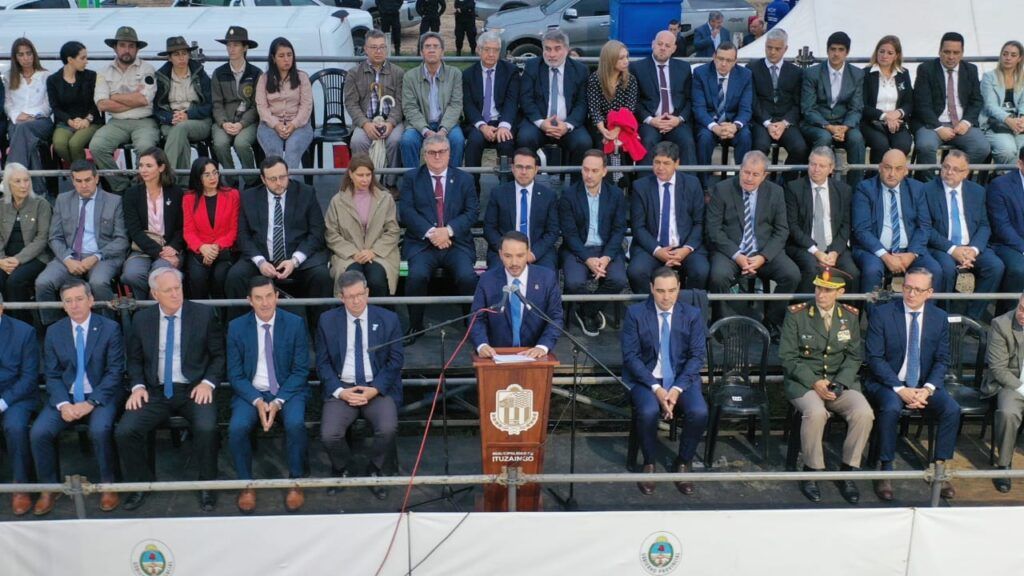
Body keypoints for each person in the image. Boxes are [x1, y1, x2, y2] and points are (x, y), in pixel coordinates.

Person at [116, 267, 225, 512]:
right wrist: (137, 386)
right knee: (125, 430)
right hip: (155, 390)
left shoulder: (204, 314)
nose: (176, 294)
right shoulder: (142, 319)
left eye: (178, 288)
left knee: (207, 428)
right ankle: (140, 483)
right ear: (155, 294)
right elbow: (134, 360)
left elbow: (219, 356)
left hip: (193, 387)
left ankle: (207, 484)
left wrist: (208, 383)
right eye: (169, 290)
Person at [863, 267, 959, 501]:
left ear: (929, 293)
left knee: (951, 409)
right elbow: (874, 358)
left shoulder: (938, 318)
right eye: (907, 287)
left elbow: (942, 359)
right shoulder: (883, 314)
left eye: (918, 289)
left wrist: (927, 389)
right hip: (888, 383)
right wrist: (900, 389)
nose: (911, 293)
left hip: (923, 385)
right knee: (891, 407)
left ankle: (939, 468)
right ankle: (886, 468)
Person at [30, 280, 123, 515]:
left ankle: (108, 484)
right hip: (66, 396)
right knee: (39, 432)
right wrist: (63, 404)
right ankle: (49, 488)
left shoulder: (109, 328)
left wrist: (90, 403)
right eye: (68, 301)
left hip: (100, 394)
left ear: (91, 300)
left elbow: (115, 372)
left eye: (79, 299)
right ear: (63, 305)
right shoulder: (54, 331)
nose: (74, 305)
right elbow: (51, 374)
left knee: (100, 429)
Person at [779, 268, 871, 503]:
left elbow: (854, 357)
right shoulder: (797, 314)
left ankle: (847, 471)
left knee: (863, 412)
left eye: (828, 290)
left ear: (840, 292)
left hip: (839, 382)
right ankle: (811, 470)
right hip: (804, 383)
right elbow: (788, 357)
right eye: (819, 288)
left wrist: (840, 382)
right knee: (816, 413)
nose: (821, 294)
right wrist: (815, 382)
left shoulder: (849, 316)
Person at [316, 270, 404, 500]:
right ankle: (342, 467)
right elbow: (322, 364)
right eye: (350, 296)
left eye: (360, 294)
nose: (356, 301)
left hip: (376, 387)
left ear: (367, 292)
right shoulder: (327, 321)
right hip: (343, 387)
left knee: (387, 428)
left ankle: (374, 469)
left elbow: (395, 362)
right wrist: (340, 392)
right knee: (329, 434)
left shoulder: (388, 319)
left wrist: (375, 389)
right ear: (341, 297)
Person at [622, 266, 707, 496]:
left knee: (699, 412)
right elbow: (631, 357)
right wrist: (657, 389)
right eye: (660, 291)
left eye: (671, 290)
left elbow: (697, 356)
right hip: (647, 379)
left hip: (682, 379)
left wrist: (677, 389)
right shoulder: (635, 314)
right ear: (651, 288)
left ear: (679, 288)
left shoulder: (692, 314)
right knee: (648, 411)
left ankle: (683, 463)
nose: (666, 297)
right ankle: (649, 463)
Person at [227, 276, 310, 513]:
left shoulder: (295, 324)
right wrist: (257, 400)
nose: (264, 303)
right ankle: (246, 484)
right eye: (258, 298)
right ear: (249, 300)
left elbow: (301, 370)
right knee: (237, 428)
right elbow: (235, 374)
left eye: (269, 296)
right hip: (251, 392)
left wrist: (278, 401)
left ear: (277, 297)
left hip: (288, 390)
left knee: (295, 423)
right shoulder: (236, 327)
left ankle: (296, 481)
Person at [225, 156, 333, 324]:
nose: (279, 183)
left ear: (288, 174)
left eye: (283, 177)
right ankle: (241, 330)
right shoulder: (249, 197)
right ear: (263, 179)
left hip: (298, 258)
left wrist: (295, 260)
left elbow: (317, 232)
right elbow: (243, 235)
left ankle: (319, 329)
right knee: (235, 277)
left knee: (321, 276)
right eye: (273, 179)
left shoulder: (306, 193)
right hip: (262, 257)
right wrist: (260, 262)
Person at [706, 150, 799, 334]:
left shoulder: (776, 192)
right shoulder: (722, 189)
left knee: (792, 274)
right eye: (746, 172)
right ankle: (722, 325)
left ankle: (772, 322)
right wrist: (738, 256)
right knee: (718, 275)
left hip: (763, 251)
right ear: (740, 169)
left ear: (764, 175)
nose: (749, 178)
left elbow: (782, 230)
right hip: (731, 251)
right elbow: (713, 230)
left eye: (755, 174)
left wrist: (763, 257)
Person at [399, 134, 479, 341]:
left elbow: (472, 212)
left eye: (442, 152)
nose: (437, 156)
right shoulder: (411, 178)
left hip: (456, 244)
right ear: (424, 155)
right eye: (432, 152)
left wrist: (448, 231)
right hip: (423, 244)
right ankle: (416, 326)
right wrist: (432, 233)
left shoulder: (465, 179)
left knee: (467, 277)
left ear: (449, 153)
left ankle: (472, 326)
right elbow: (406, 212)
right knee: (416, 277)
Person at [35, 160, 128, 326]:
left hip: (102, 256)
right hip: (70, 255)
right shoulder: (63, 199)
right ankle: (56, 327)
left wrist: (96, 257)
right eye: (78, 181)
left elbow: (121, 239)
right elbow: (54, 237)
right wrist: (67, 259)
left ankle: (107, 327)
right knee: (43, 283)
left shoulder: (114, 201)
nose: (83, 185)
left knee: (98, 283)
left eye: (87, 180)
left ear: (96, 179)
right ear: (72, 181)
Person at [923, 150, 1003, 320]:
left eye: (955, 169)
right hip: (942, 247)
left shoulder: (977, 191)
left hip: (971, 246)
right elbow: (926, 228)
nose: (949, 172)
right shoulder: (927, 190)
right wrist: (953, 249)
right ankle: (944, 318)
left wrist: (973, 250)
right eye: (946, 167)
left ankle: (972, 318)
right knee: (946, 268)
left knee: (995, 266)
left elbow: (984, 225)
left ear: (966, 173)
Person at [852, 149, 943, 293]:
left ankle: (924, 308)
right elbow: (861, 230)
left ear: (905, 171)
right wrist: (885, 256)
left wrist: (911, 254)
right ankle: (873, 308)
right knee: (872, 271)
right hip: (874, 250)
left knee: (934, 270)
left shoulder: (916, 188)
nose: (892, 173)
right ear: (880, 168)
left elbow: (924, 226)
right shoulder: (865, 189)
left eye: (898, 169)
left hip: (909, 250)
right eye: (887, 168)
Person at [558, 149, 628, 337]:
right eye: (585, 169)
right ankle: (591, 310)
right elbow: (570, 234)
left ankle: (586, 310)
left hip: (607, 249)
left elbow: (619, 230)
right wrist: (588, 259)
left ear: (604, 171)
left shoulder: (615, 195)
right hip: (577, 249)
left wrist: (606, 257)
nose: (589, 175)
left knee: (618, 280)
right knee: (574, 283)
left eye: (594, 171)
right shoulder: (568, 195)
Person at [627, 141, 708, 293]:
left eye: (666, 163)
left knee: (700, 271)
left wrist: (686, 249)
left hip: (684, 246)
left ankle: (686, 306)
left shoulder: (692, 184)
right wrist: (658, 250)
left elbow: (699, 222)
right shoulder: (640, 186)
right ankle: (651, 306)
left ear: (677, 163)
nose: (660, 167)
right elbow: (638, 227)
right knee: (636, 272)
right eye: (657, 162)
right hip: (652, 247)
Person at [90, 26, 160, 194]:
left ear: (137, 49)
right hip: (116, 122)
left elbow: (144, 99)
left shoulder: (147, 69)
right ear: (115, 48)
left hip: (144, 121)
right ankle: (121, 186)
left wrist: (114, 96)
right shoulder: (103, 72)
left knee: (145, 148)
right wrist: (133, 98)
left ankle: (138, 186)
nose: (126, 50)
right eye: (122, 45)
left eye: (131, 46)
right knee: (97, 146)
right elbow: (102, 104)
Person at [471, 231, 563, 358]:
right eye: (508, 256)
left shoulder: (546, 278)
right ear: (500, 254)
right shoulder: (487, 280)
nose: (514, 262)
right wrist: (482, 345)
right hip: (497, 356)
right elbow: (477, 318)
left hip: (535, 356)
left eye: (520, 256)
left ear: (528, 253)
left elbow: (555, 318)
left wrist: (542, 347)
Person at [912, 32, 990, 180]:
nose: (951, 56)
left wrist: (966, 122)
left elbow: (976, 101)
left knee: (981, 147)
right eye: (947, 52)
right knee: (926, 146)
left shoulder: (970, 70)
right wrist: (939, 128)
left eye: (956, 52)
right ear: (939, 51)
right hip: (932, 124)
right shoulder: (926, 69)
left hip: (961, 124)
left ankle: (954, 180)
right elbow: (922, 104)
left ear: (962, 53)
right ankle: (931, 185)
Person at [517, 29, 592, 180]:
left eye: (557, 49)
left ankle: (576, 189)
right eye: (547, 49)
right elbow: (526, 99)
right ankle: (528, 186)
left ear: (566, 49)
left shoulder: (580, 70)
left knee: (583, 143)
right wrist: (541, 123)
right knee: (525, 138)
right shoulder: (532, 66)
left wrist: (567, 125)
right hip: (538, 122)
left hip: (567, 123)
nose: (552, 54)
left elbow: (582, 103)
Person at [784, 147, 858, 293]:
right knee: (812, 269)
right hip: (804, 247)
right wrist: (816, 252)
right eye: (813, 164)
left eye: (822, 166)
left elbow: (845, 225)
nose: (816, 169)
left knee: (852, 273)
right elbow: (793, 226)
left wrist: (834, 252)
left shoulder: (843, 190)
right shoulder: (793, 188)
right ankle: (806, 307)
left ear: (831, 168)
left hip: (834, 247)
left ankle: (847, 308)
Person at [325, 153, 400, 297]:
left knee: (376, 280)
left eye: (368, 175)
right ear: (351, 174)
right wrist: (353, 252)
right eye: (360, 175)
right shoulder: (338, 201)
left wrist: (373, 252)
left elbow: (393, 231)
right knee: (351, 280)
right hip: (348, 255)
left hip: (380, 254)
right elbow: (331, 233)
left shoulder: (385, 198)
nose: (365, 179)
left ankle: (381, 311)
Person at [800, 31, 866, 189]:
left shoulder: (857, 74)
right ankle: (816, 185)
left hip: (844, 123)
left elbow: (856, 107)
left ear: (847, 52)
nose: (836, 54)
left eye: (841, 50)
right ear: (827, 50)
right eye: (833, 49)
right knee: (824, 138)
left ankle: (856, 189)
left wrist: (845, 127)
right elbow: (808, 108)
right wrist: (828, 126)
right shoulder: (812, 73)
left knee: (857, 139)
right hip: (817, 123)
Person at [120, 148, 185, 300]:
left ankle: (152, 307)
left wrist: (173, 247)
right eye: (141, 165)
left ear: (161, 167)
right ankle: (149, 305)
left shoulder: (176, 193)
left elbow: (182, 227)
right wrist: (159, 251)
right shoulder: (131, 194)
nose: (143, 170)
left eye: (149, 166)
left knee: (160, 275)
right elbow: (134, 231)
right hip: (142, 248)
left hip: (170, 248)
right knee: (132, 274)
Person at [482, 148, 559, 270]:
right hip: (505, 252)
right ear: (512, 168)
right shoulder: (498, 194)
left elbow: (552, 231)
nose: (523, 172)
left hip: (537, 251)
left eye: (528, 167)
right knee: (497, 275)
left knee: (547, 274)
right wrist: (507, 252)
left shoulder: (548, 196)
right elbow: (489, 228)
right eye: (519, 167)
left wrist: (534, 253)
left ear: (536, 169)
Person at [344, 29, 405, 184]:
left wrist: (390, 123)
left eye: (382, 47)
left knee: (395, 141)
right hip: (366, 121)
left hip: (391, 121)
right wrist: (365, 124)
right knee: (358, 141)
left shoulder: (398, 73)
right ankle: (364, 183)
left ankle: (390, 183)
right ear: (365, 49)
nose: (378, 51)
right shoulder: (354, 73)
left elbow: (400, 102)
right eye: (374, 47)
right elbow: (351, 103)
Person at [462, 31, 519, 190]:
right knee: (474, 142)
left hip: (502, 120)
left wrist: (504, 125)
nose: (491, 54)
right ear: (478, 50)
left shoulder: (511, 71)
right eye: (487, 49)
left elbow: (512, 101)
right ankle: (473, 190)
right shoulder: (468, 74)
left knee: (506, 142)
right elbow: (468, 105)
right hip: (479, 122)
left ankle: (506, 189)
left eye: (495, 50)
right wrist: (482, 126)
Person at [630, 30, 696, 166]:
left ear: (674, 49)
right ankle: (645, 180)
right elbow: (634, 101)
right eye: (660, 44)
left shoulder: (684, 68)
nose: (663, 48)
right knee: (648, 140)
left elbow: (690, 99)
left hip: (675, 120)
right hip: (650, 121)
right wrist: (650, 120)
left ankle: (689, 179)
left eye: (667, 45)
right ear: (653, 44)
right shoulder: (637, 68)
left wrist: (679, 119)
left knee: (687, 140)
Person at [747, 28, 808, 176]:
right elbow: (752, 100)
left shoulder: (796, 72)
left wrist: (784, 123)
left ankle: (786, 183)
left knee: (800, 148)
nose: (772, 52)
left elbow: (798, 103)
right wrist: (767, 122)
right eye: (769, 47)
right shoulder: (752, 68)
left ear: (785, 49)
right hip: (761, 120)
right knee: (759, 148)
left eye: (777, 49)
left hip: (786, 121)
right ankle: (760, 184)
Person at [0, 294, 40, 516]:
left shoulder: (24, 332)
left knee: (14, 427)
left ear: (1, 308)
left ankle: (21, 485)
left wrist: (3, 402)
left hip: (18, 395)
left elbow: (29, 378)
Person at [153, 36, 213, 185]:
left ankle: (164, 179)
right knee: (181, 138)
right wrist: (170, 117)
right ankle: (183, 185)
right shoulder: (162, 77)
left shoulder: (199, 74)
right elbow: (157, 108)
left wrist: (188, 115)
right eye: (176, 54)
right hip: (171, 121)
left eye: (184, 53)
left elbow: (209, 104)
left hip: (198, 121)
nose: (181, 58)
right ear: (169, 58)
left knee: (180, 129)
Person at [693, 42, 753, 188]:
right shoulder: (700, 73)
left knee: (745, 136)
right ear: (714, 57)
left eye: (729, 60)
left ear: (735, 61)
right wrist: (715, 127)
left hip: (733, 123)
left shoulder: (745, 75)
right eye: (720, 59)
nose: (724, 64)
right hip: (709, 123)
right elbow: (699, 108)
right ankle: (704, 187)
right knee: (704, 138)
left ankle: (741, 185)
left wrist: (735, 126)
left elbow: (746, 109)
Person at [400, 33, 465, 169]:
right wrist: (425, 131)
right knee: (407, 141)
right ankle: (414, 179)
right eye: (427, 46)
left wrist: (443, 130)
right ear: (421, 52)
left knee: (457, 140)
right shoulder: (410, 76)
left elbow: (455, 105)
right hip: (419, 125)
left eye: (436, 46)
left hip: (447, 125)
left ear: (442, 51)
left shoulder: (455, 74)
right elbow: (410, 108)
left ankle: (452, 178)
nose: (431, 50)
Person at [0, 163, 52, 325]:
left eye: (26, 180)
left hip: (35, 257)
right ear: (8, 184)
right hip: (5, 258)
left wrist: (17, 259)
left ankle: (23, 325)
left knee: (14, 281)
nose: (24, 185)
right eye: (18, 181)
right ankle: (6, 324)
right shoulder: (1, 205)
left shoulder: (41, 204)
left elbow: (42, 238)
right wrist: (1, 260)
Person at [211, 26, 263, 189]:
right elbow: (216, 103)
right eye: (229, 45)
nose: (231, 49)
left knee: (241, 143)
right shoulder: (219, 73)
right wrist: (223, 123)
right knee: (219, 143)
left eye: (236, 45)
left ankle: (251, 181)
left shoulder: (256, 73)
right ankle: (231, 178)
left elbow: (257, 105)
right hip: (225, 121)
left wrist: (242, 124)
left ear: (245, 48)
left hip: (248, 122)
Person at [983, 293, 1024, 492]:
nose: (1022, 314)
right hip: (1011, 384)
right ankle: (1004, 466)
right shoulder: (1001, 324)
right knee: (1008, 413)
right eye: (1022, 308)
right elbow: (998, 369)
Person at [182, 158, 240, 300]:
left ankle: (221, 313)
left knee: (220, 277)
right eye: (207, 174)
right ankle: (201, 312)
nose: (213, 177)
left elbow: (233, 230)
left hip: (224, 250)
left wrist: (215, 248)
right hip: (199, 251)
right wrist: (202, 247)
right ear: (198, 177)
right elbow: (189, 231)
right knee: (197, 279)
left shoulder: (232, 195)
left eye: (215, 172)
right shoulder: (189, 198)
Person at [255, 37, 314, 172]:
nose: (286, 59)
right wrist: (276, 125)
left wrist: (293, 125)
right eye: (281, 56)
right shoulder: (264, 79)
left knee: (293, 148)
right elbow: (262, 107)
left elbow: (306, 106)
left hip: (299, 125)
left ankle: (289, 183)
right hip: (270, 125)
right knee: (274, 151)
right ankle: (276, 182)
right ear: (273, 58)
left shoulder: (302, 77)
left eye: (289, 55)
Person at [4, 38, 53, 193]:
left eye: (28, 53)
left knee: (22, 130)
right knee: (27, 141)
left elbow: (49, 105)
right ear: (15, 58)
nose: (25, 58)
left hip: (40, 122)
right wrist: (16, 116)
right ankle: (38, 190)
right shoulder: (9, 76)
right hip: (17, 122)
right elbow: (7, 103)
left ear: (34, 54)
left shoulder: (45, 75)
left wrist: (32, 115)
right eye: (21, 54)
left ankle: (10, 181)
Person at [861, 35, 914, 167]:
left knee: (903, 145)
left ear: (896, 55)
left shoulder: (903, 73)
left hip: (897, 121)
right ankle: (873, 177)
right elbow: (862, 105)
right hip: (871, 122)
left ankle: (895, 175)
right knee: (880, 145)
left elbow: (909, 102)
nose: (884, 56)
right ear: (876, 52)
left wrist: (897, 113)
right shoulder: (866, 74)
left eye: (890, 53)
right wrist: (885, 116)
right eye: (882, 51)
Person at [48, 41, 102, 167]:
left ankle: (82, 173)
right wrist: (70, 121)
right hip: (65, 122)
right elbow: (55, 107)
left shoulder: (90, 76)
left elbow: (96, 102)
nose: (86, 61)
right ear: (70, 60)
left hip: (90, 121)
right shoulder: (53, 80)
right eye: (82, 58)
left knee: (75, 144)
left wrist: (87, 120)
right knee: (60, 145)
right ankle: (82, 171)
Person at [586, 40, 641, 163]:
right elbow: (594, 109)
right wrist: (604, 131)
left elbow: (628, 109)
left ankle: (624, 175)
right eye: (621, 58)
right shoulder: (595, 79)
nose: (626, 61)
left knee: (623, 144)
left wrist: (616, 130)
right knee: (601, 145)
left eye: (627, 57)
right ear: (610, 59)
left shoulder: (630, 80)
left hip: (623, 124)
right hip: (600, 124)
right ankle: (605, 173)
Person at [988, 148, 1024, 301]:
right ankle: (1009, 312)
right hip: (1007, 244)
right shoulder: (1000, 185)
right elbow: (1001, 226)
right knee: (1020, 269)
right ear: (1020, 164)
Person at [980, 40, 1024, 165]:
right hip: (995, 124)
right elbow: (990, 105)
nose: (1008, 58)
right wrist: (1008, 120)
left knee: (1021, 149)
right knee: (1007, 151)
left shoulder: (1022, 78)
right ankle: (1007, 175)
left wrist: (1022, 118)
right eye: (1005, 54)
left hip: (1018, 124)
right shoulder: (989, 77)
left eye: (1013, 55)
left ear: (1020, 58)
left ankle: (1008, 174)